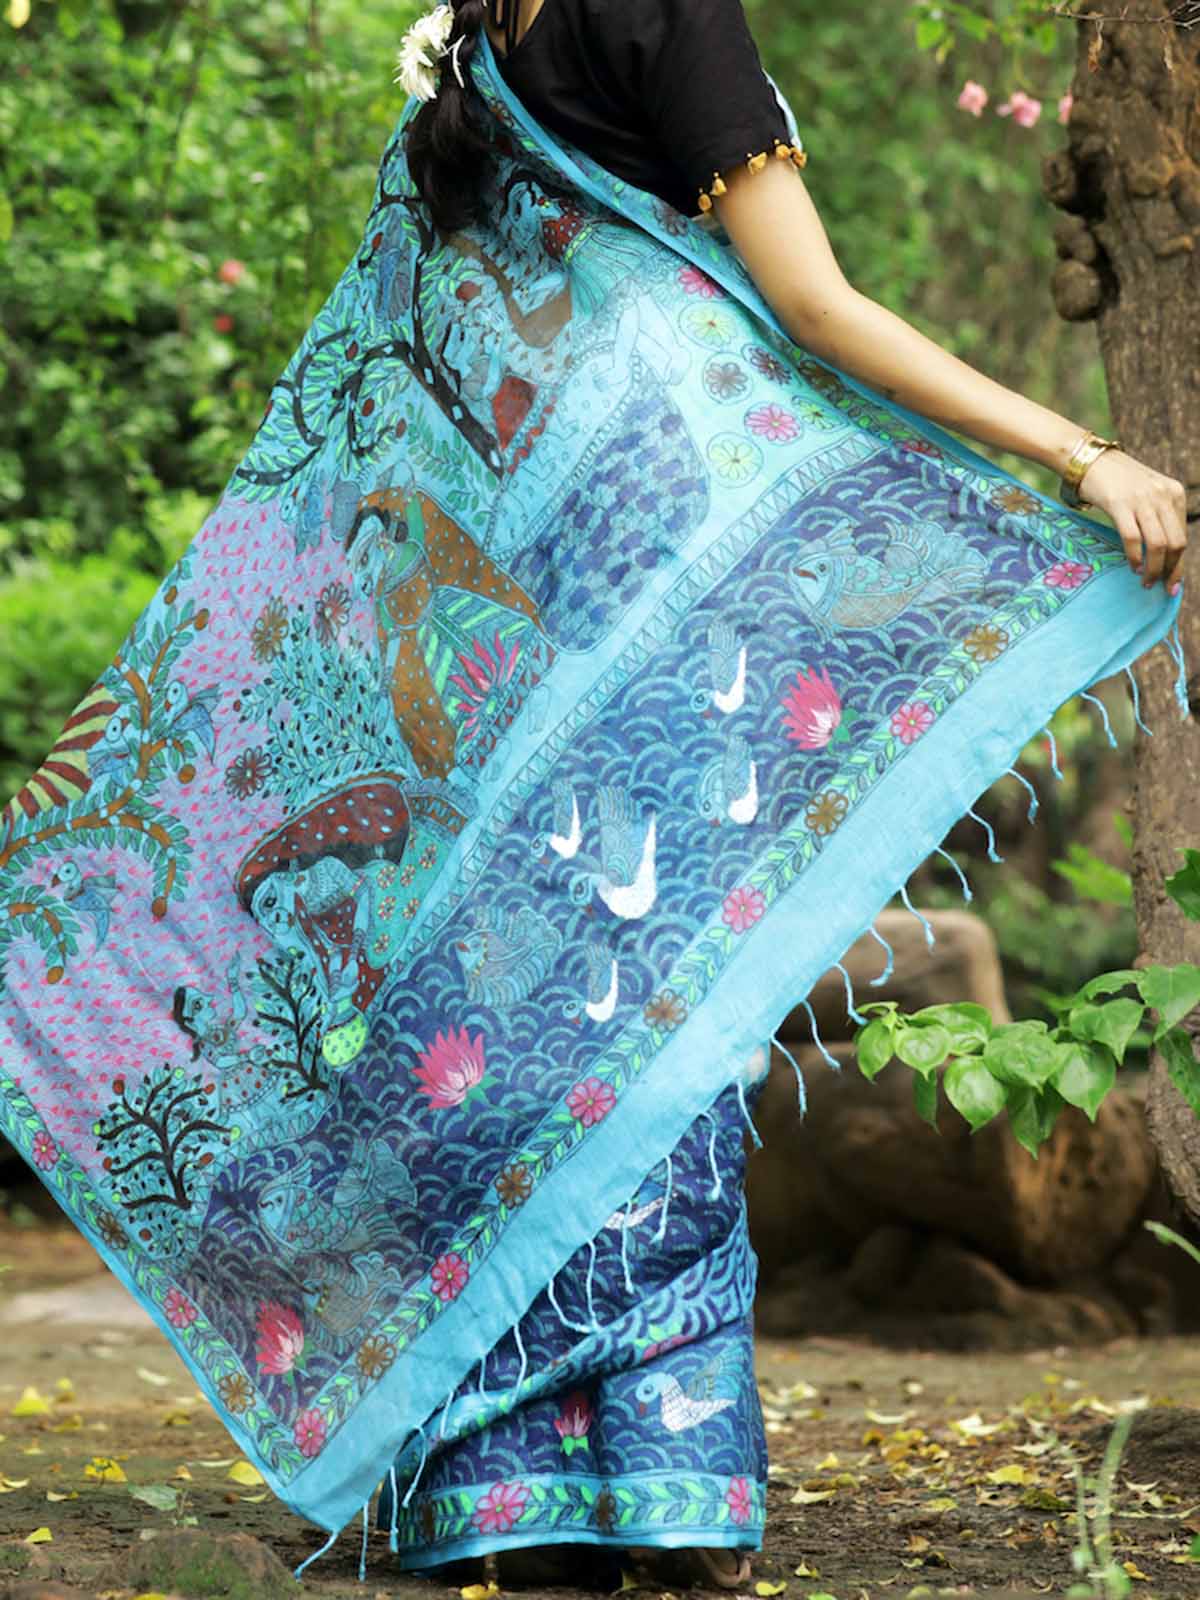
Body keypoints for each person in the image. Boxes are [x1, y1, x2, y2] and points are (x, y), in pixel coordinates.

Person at [0, 0, 1187, 1594]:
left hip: (521, 625)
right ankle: (651, 1493)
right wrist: (1079, 453)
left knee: (510, 1034)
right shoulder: (654, 10)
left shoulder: (483, 35)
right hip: (657, 602)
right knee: (645, 1034)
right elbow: (814, 307)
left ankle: (505, 1491)